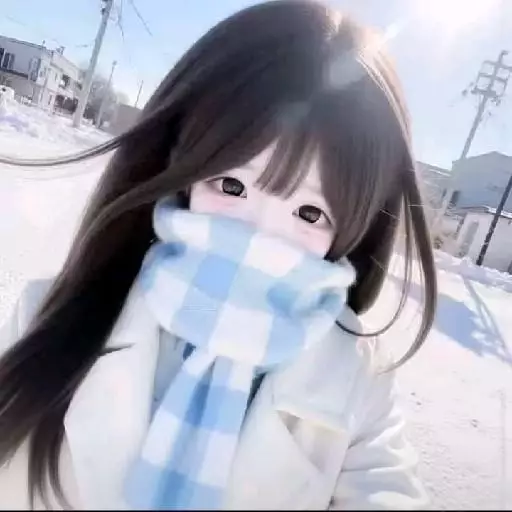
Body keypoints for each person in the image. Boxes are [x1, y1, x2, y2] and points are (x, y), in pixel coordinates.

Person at [0, 0, 437, 509]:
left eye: (310, 213)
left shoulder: (357, 378)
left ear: (352, 232)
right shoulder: (49, 317)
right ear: (180, 170)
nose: (257, 236)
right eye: (231, 185)